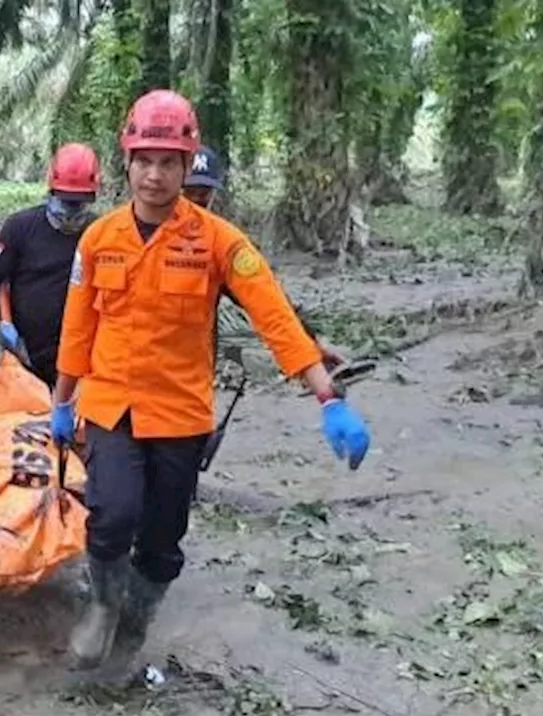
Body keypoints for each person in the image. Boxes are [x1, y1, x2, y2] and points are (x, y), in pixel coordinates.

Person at [51, 90, 372, 674]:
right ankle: (100, 605)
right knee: (112, 512)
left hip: (179, 412)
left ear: (186, 164)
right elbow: (78, 326)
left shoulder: (220, 242)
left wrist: (326, 394)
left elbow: (273, 315)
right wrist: (62, 401)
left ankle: (137, 619)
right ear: (127, 160)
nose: (154, 174)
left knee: (162, 537)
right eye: (144, 160)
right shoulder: (99, 240)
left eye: (168, 162)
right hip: (110, 406)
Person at [183, 144, 347, 369]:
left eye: (202, 194)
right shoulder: (125, 237)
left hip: (192, 381)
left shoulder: (220, 246)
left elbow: (270, 306)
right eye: (187, 192)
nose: (194, 202)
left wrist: (311, 345)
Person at [0, 142, 102, 389]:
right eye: (65, 201)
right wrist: (5, 323)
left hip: (80, 350)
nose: (70, 212)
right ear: (51, 191)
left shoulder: (99, 233)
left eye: (78, 203)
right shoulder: (20, 227)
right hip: (27, 346)